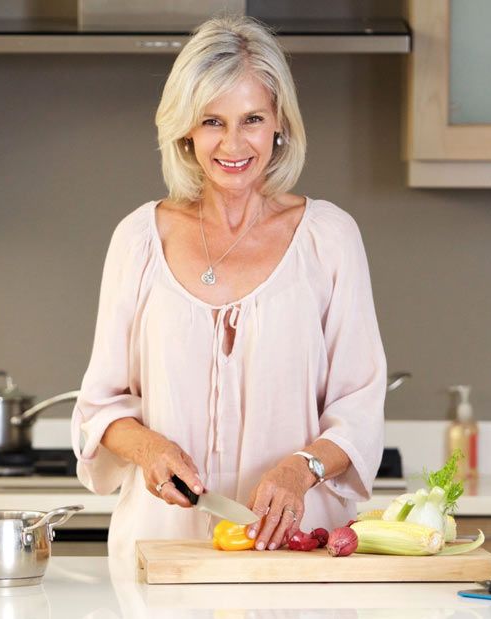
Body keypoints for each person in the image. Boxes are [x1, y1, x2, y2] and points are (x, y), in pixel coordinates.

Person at [71, 14, 386, 563]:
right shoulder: (139, 240)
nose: (233, 143)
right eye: (213, 121)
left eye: (252, 119)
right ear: (186, 130)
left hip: (295, 555)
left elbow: (359, 408)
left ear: (279, 123)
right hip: (160, 553)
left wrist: (301, 468)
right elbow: (98, 406)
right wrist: (149, 447)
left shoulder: (329, 239)